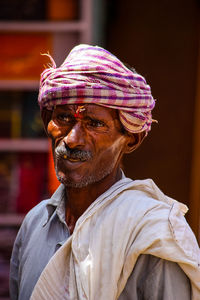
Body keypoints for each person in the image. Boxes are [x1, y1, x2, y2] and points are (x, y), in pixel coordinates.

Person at [10, 44, 200, 300]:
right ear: (48, 123)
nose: (73, 139)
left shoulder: (154, 236)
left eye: (95, 124)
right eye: (64, 118)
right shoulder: (34, 225)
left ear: (130, 140)